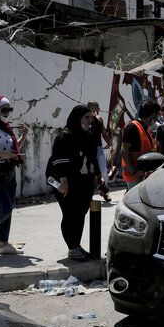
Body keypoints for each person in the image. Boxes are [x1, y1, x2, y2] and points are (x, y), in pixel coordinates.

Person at [46, 105, 102, 261]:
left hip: (84, 180)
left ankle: (76, 246)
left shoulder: (89, 134)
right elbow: (59, 160)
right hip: (65, 182)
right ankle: (72, 247)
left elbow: (93, 157)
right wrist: (63, 182)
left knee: (80, 213)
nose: (90, 121)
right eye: (87, 118)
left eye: (91, 117)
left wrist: (99, 177)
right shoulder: (65, 135)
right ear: (77, 118)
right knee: (70, 214)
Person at [0, 96, 28, 255]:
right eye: (4, 109)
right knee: (4, 208)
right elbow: (3, 153)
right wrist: (2, 154)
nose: (8, 112)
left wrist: (23, 137)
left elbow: (13, 151)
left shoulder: (6, 127)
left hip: (9, 173)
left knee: (8, 209)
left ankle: (3, 244)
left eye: (9, 109)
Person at [121, 98, 159, 191]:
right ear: (153, 114)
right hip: (135, 177)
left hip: (142, 177)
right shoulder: (132, 127)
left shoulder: (144, 129)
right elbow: (124, 151)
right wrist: (134, 172)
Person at [87, 101, 112, 202]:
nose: (99, 110)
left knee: (103, 172)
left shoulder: (99, 119)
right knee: (89, 173)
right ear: (92, 108)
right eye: (97, 108)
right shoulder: (85, 119)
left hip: (98, 148)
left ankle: (104, 193)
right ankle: (88, 195)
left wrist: (110, 144)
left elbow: (104, 133)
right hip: (88, 150)